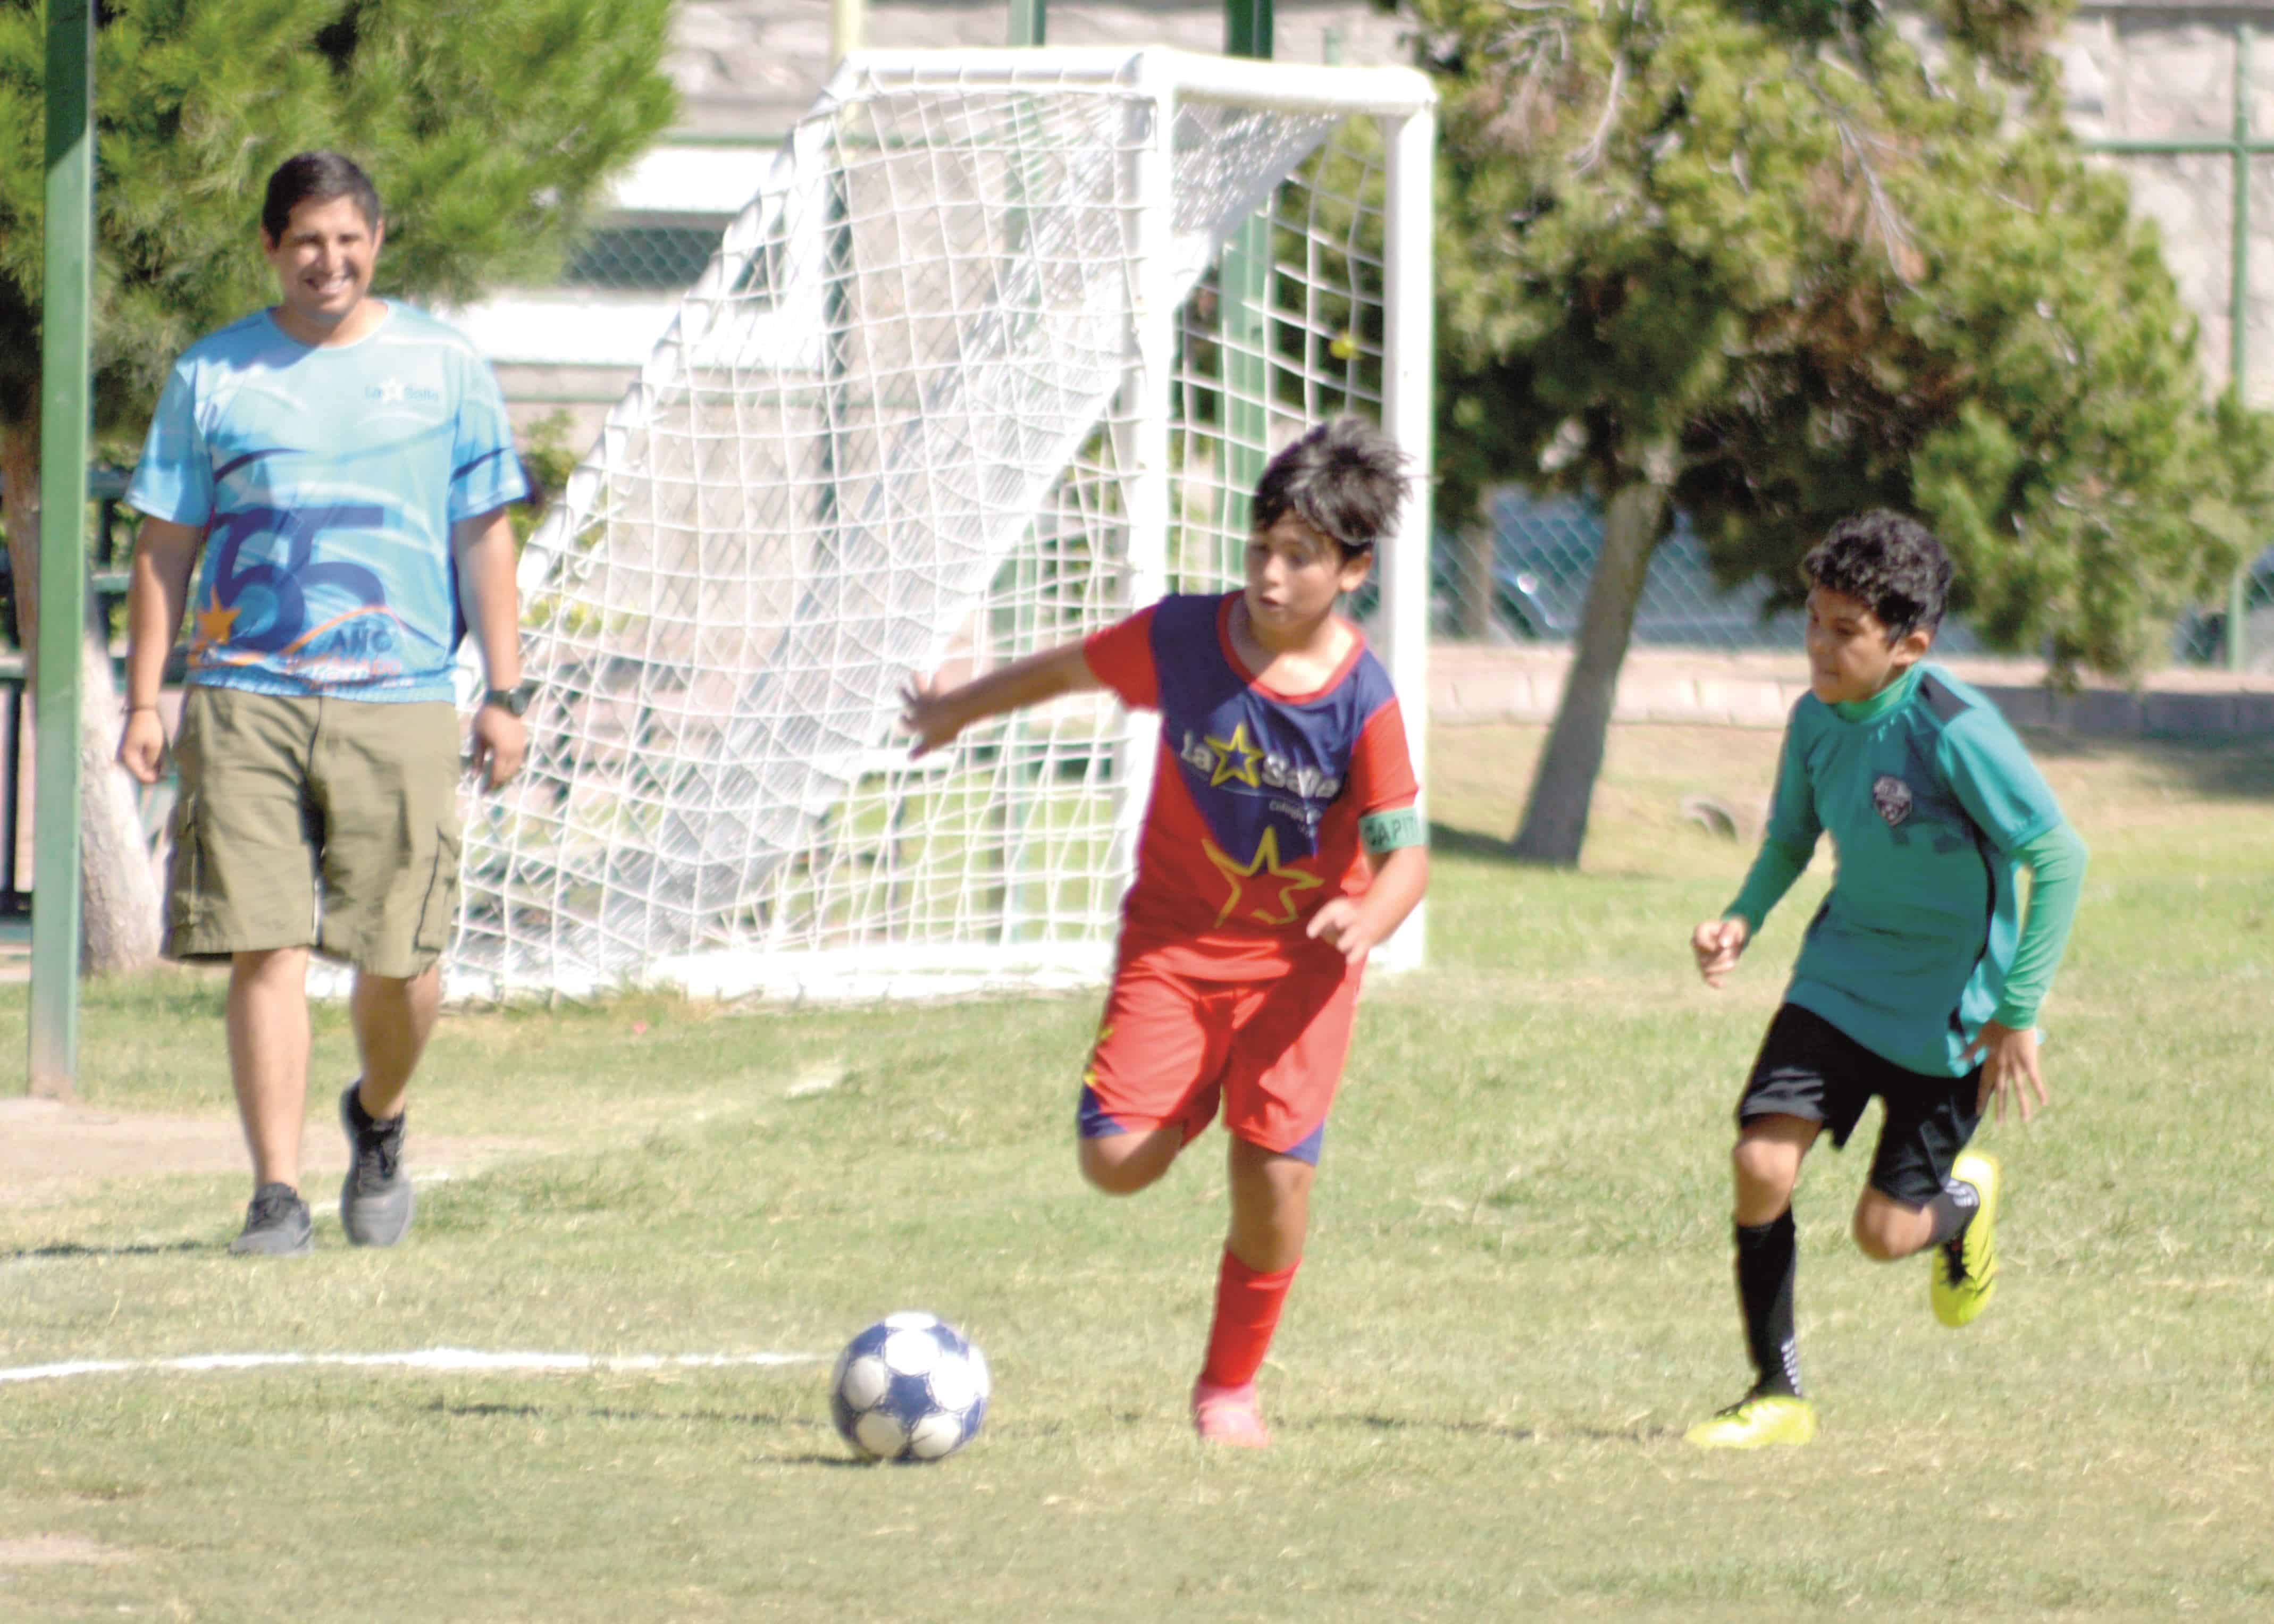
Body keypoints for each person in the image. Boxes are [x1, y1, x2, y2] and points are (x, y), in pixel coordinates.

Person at [900, 418, 1429, 1446]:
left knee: (1273, 1186)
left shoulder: (1363, 700)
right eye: (1261, 549)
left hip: (1300, 973)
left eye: (1301, 558)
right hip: (1175, 946)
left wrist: (1367, 914)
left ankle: (1227, 1387)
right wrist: (956, 712)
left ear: (1353, 571)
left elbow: (1405, 853)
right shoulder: (1181, 638)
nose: (1271, 578)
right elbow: (1061, 672)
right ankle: (1191, 1100)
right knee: (1115, 1163)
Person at [116, 152, 532, 1257]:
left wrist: (505, 690)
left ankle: (379, 1117)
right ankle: (275, 1194)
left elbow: (486, 535)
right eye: (306, 240)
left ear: (378, 242)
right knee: (267, 946)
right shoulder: (213, 375)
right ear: (270, 247)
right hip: (243, 697)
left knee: (403, 959)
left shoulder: (446, 367)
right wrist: (149, 697)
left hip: (398, 698)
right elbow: (166, 544)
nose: (328, 261)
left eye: (348, 240)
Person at [1684, 510, 2087, 1447]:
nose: (1819, 648)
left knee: (1883, 1236)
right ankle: (1775, 1392)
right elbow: (1791, 837)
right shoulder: (1813, 721)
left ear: (1910, 645)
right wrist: (1739, 918)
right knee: (1758, 1165)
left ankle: (1962, 1205)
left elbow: (2056, 854)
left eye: (1844, 632)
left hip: (1952, 1014)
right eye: (1813, 623)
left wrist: (2017, 1011)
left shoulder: (1954, 730)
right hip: (1840, 976)